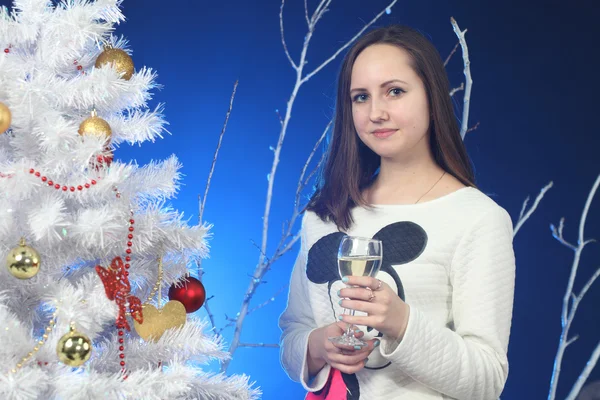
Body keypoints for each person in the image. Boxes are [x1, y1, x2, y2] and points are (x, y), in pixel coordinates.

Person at [278, 24, 516, 400]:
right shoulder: (325, 215)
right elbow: (294, 335)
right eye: (360, 97)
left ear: (431, 98)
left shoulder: (477, 218)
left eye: (395, 92)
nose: (376, 112)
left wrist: (401, 322)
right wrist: (319, 345)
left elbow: (486, 379)